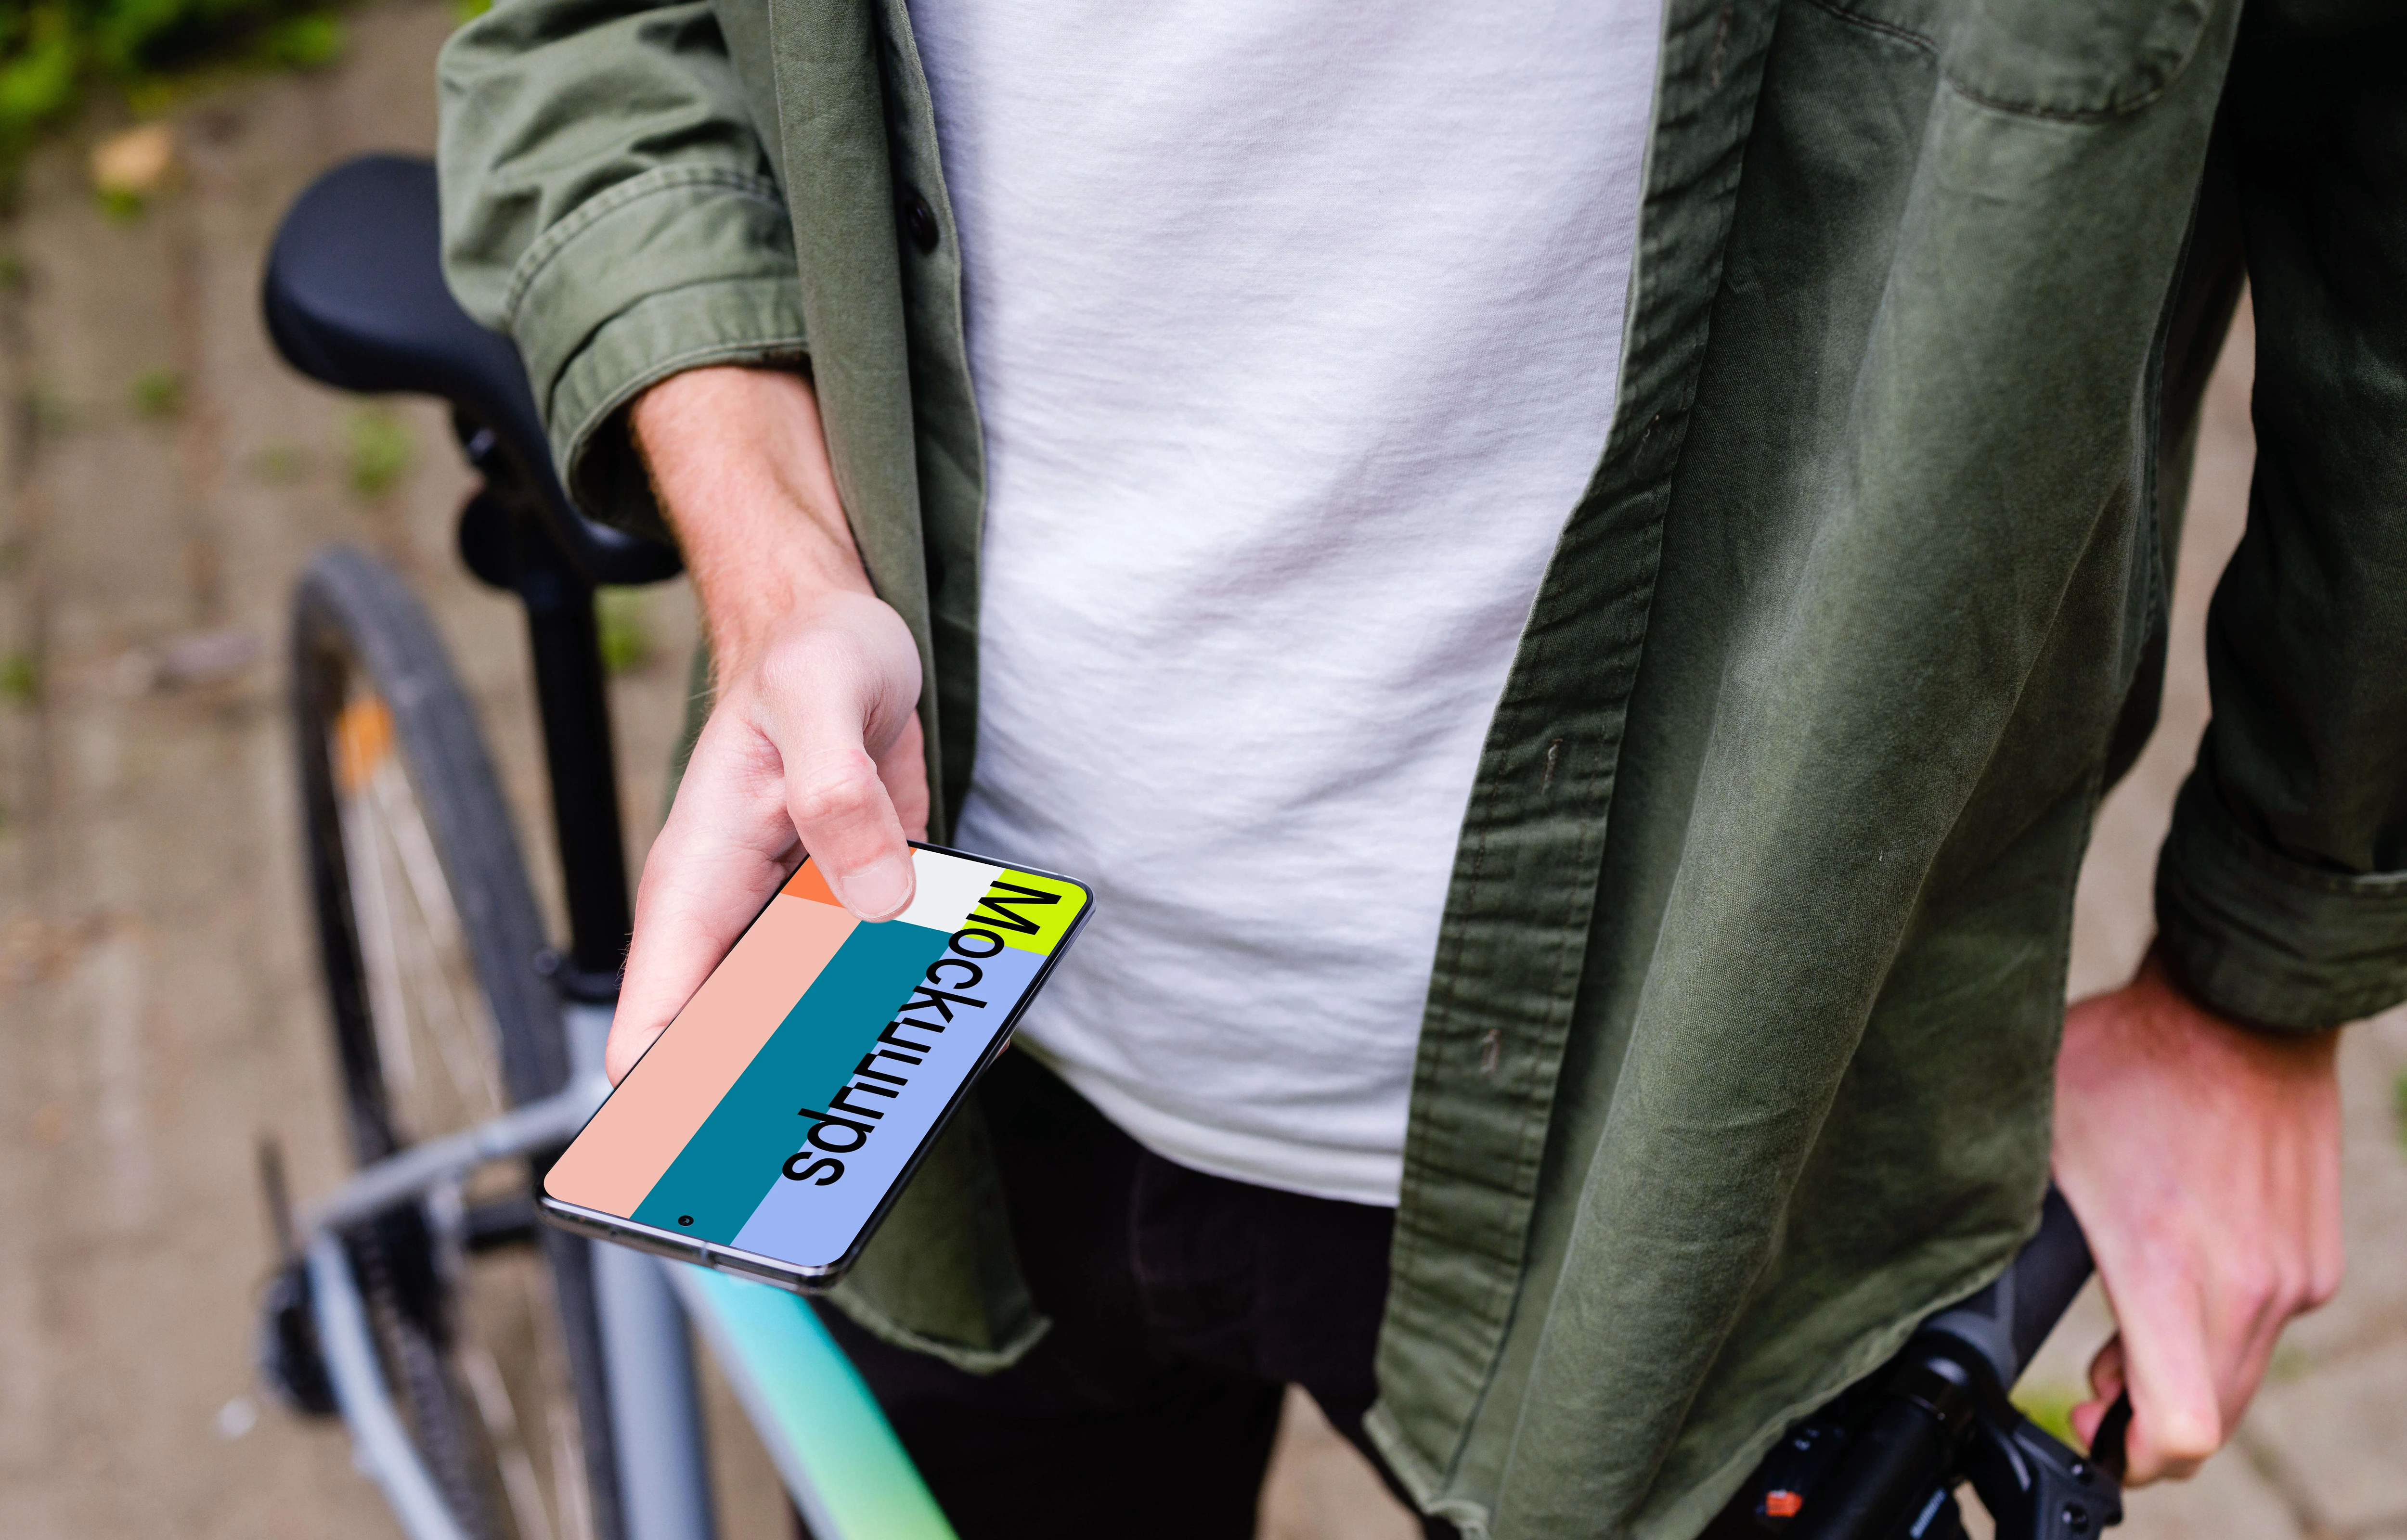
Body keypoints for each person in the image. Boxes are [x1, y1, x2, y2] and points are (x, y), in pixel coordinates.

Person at [437, 0, 2406, 1533]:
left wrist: (2256, 981)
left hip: (1712, 1168)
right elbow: (607, 35)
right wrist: (778, 568)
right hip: (930, 1051)